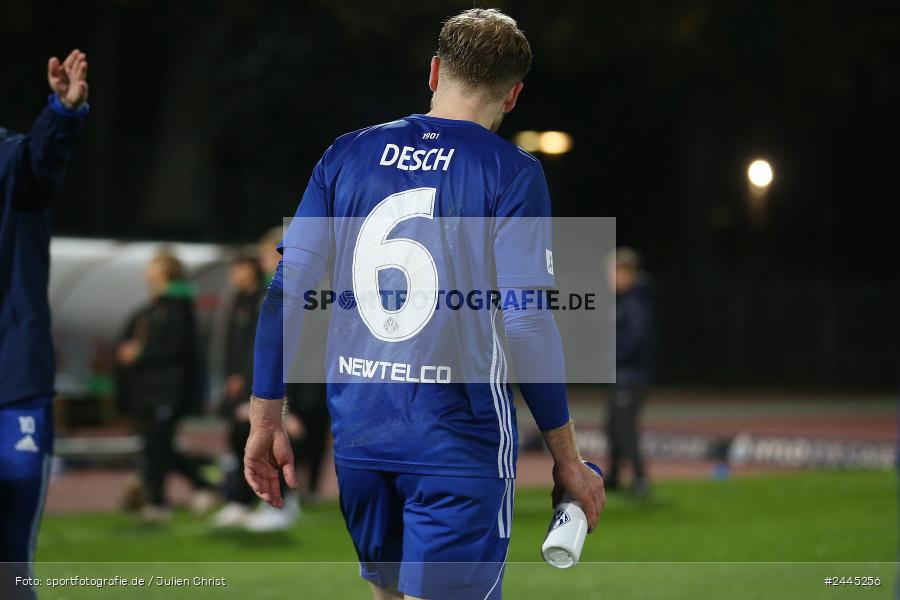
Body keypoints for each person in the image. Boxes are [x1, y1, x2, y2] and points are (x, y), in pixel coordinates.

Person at [245, 9, 605, 600]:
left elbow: (287, 291)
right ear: (513, 95)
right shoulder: (512, 173)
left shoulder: (347, 153)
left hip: (361, 436)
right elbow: (525, 322)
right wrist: (566, 457)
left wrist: (265, 418)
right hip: (456, 440)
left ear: (435, 71)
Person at [0, 50, 89, 599]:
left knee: (10, 559)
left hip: (12, 387)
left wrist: (62, 111)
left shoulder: (11, 161)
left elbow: (42, 161)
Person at [117, 253, 216, 522]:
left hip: (168, 389)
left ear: (166, 272)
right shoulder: (150, 308)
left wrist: (141, 352)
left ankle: (160, 501)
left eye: (153, 266)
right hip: (147, 389)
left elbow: (178, 349)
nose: (148, 271)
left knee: (158, 443)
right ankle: (197, 486)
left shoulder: (178, 307)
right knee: (154, 445)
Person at [211, 254, 302, 531]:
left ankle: (279, 502)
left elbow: (276, 347)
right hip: (250, 385)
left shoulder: (274, 297)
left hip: (267, 386)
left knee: (269, 440)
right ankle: (244, 499)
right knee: (242, 439)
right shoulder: (240, 300)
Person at [605, 247, 657, 496]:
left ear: (626, 272)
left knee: (624, 428)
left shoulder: (636, 302)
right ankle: (614, 476)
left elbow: (634, 340)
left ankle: (640, 479)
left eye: (613, 272)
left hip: (631, 376)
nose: (610, 278)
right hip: (623, 374)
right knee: (613, 426)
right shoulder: (625, 301)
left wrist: (612, 359)